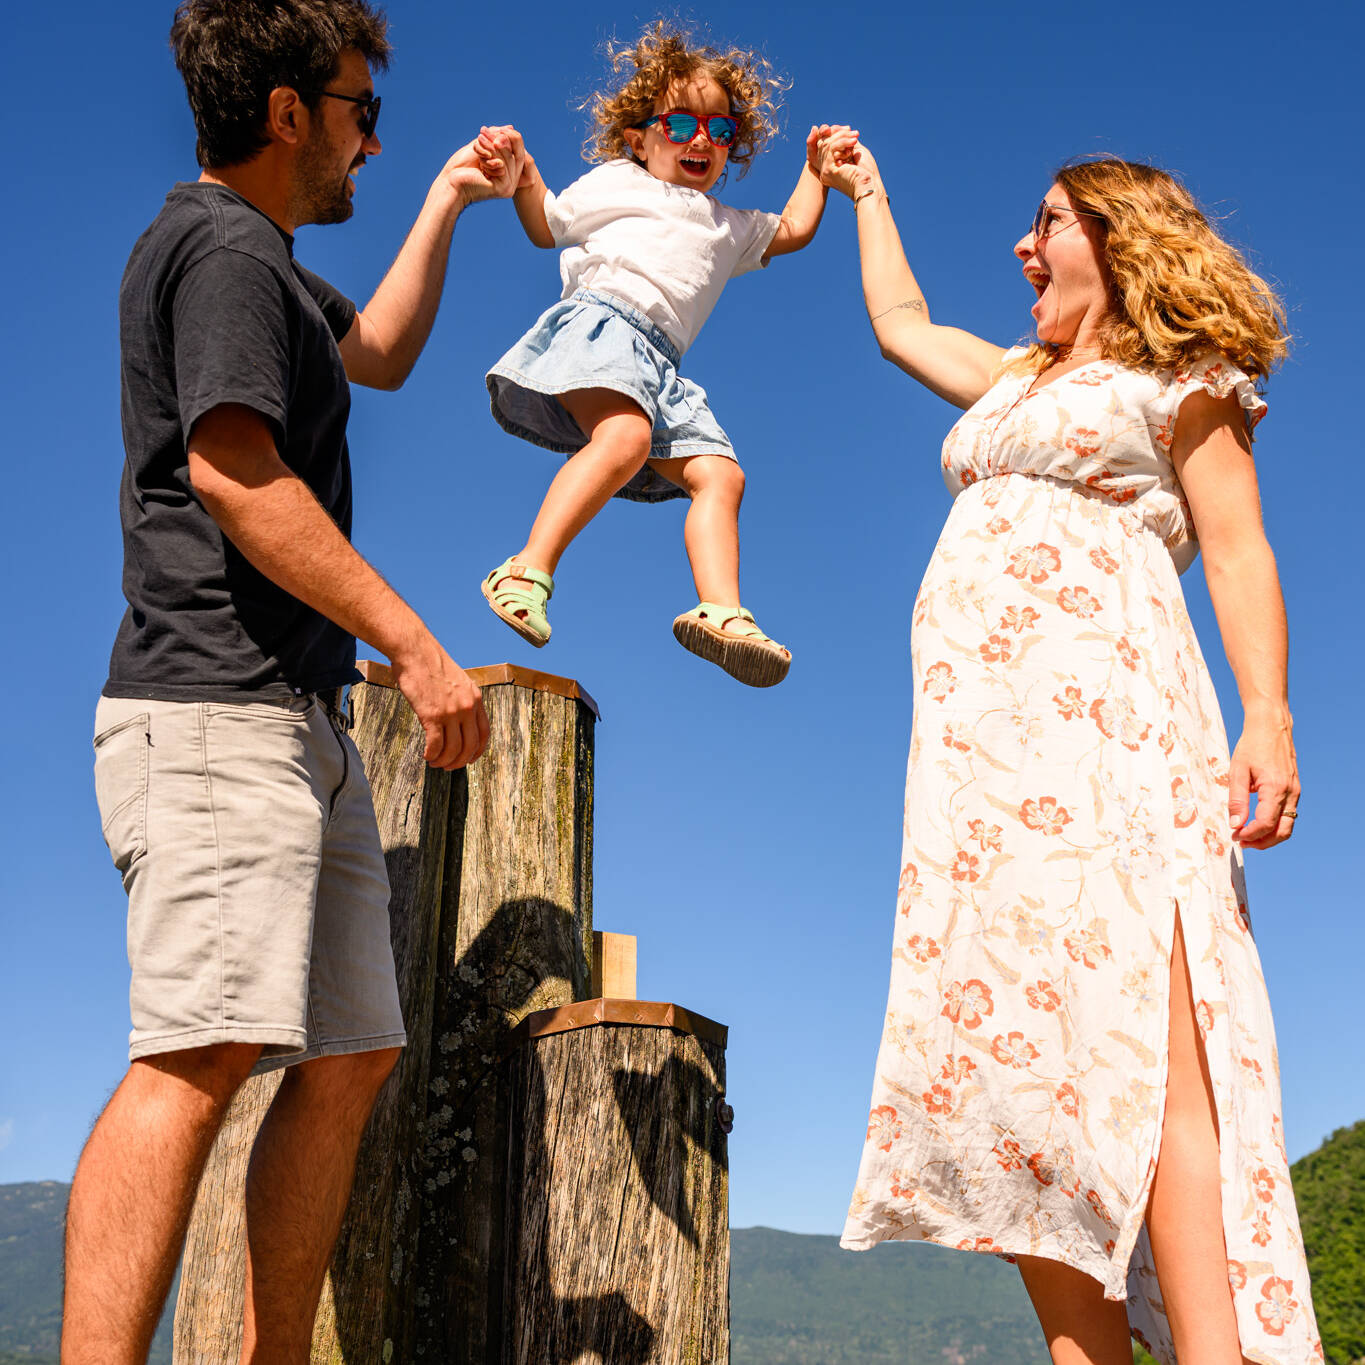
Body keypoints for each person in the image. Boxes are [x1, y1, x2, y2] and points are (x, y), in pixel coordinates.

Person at [819, 135, 1323, 1365]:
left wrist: (1271, 717)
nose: (1022, 245)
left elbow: (1241, 548)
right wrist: (869, 192)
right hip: (980, 772)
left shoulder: (1177, 376)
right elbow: (898, 320)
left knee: (1146, 1033)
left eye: (1047, 221)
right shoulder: (1008, 378)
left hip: (1112, 726)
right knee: (1023, 1056)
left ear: (1118, 235)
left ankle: (1213, 1352)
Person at [64, 3, 519, 1360]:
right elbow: (235, 472)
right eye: (360, 112)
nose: (370, 143)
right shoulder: (217, 251)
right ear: (284, 112)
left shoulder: (271, 266)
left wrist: (445, 199)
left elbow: (376, 350)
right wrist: (419, 642)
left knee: (352, 1052)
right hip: (210, 707)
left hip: (293, 719)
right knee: (198, 1054)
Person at [477, 22, 843, 688]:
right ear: (639, 139)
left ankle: (721, 611)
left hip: (662, 366)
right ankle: (527, 566)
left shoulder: (726, 225)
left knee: (720, 475)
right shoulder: (618, 182)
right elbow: (545, 227)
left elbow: (792, 229)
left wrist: (816, 172)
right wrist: (523, 177)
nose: (702, 139)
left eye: (720, 130)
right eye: (679, 124)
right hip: (603, 327)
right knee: (622, 437)